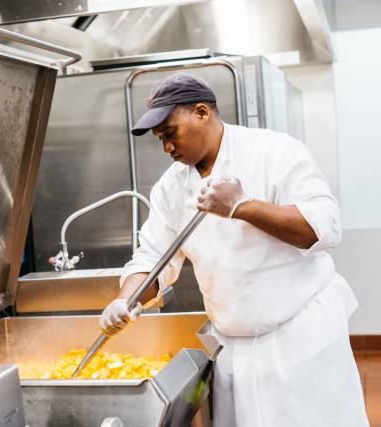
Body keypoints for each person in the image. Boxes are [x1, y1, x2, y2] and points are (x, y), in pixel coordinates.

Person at [99, 73, 369, 426]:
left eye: (170, 134)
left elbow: (324, 226)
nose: (167, 148)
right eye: (159, 140)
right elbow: (152, 259)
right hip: (234, 350)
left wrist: (241, 206)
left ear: (201, 112)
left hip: (300, 341)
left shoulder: (274, 150)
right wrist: (126, 299)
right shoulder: (171, 189)